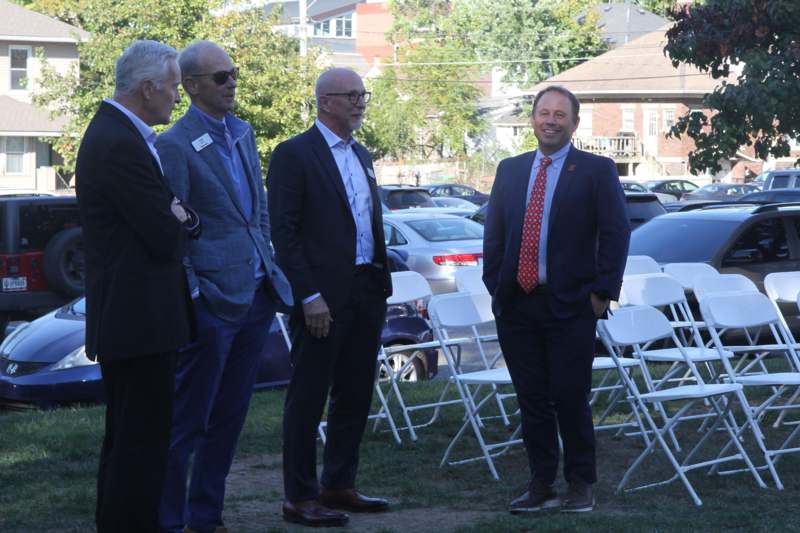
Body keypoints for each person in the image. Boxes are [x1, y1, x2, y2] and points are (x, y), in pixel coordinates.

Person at [155, 41, 294, 533]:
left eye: (233, 74)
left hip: (256, 296)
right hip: (212, 301)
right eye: (220, 77)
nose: (231, 82)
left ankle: (206, 517)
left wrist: (266, 262)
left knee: (230, 417)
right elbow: (175, 229)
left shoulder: (243, 131)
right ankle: (170, 521)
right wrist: (194, 291)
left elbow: (255, 208)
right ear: (190, 86)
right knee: (189, 421)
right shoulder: (173, 145)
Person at [482, 85, 630, 514]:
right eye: (543, 113)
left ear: (574, 123)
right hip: (517, 304)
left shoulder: (596, 170)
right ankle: (541, 483)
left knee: (569, 396)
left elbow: (616, 234)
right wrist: (497, 285)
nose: (550, 120)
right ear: (532, 119)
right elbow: (494, 235)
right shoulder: (510, 169)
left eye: (559, 115)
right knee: (532, 400)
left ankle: (580, 484)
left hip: (571, 306)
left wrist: (602, 294)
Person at [75, 40, 200, 533]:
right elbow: (168, 232)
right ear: (147, 89)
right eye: (172, 87)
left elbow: (179, 214)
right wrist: (181, 218)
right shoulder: (120, 142)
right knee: (140, 445)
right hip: (138, 319)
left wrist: (180, 216)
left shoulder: (121, 134)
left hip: (136, 317)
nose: (176, 97)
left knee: (131, 440)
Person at [267, 67, 393, 528]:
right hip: (320, 298)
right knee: (308, 395)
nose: (361, 102)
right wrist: (308, 295)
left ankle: (339, 484)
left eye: (364, 94)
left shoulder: (362, 154)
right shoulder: (294, 154)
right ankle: (299, 496)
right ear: (325, 101)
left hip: (366, 289)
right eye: (352, 95)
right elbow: (284, 231)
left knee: (356, 392)